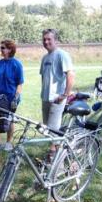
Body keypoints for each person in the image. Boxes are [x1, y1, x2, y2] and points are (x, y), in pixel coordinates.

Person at [40, 29, 75, 162]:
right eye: (44, 39)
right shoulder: (45, 58)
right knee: (47, 129)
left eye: (49, 39)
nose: (46, 42)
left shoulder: (62, 55)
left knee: (53, 130)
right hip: (45, 98)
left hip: (57, 99)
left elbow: (71, 75)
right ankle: (57, 153)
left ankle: (54, 161)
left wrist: (64, 94)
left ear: (56, 40)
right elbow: (44, 77)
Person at [0, 40, 24, 151]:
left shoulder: (17, 64)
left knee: (9, 120)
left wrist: (16, 97)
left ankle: (9, 142)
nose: (1, 49)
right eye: (1, 47)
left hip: (10, 97)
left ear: (10, 49)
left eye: (3, 47)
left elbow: (20, 83)